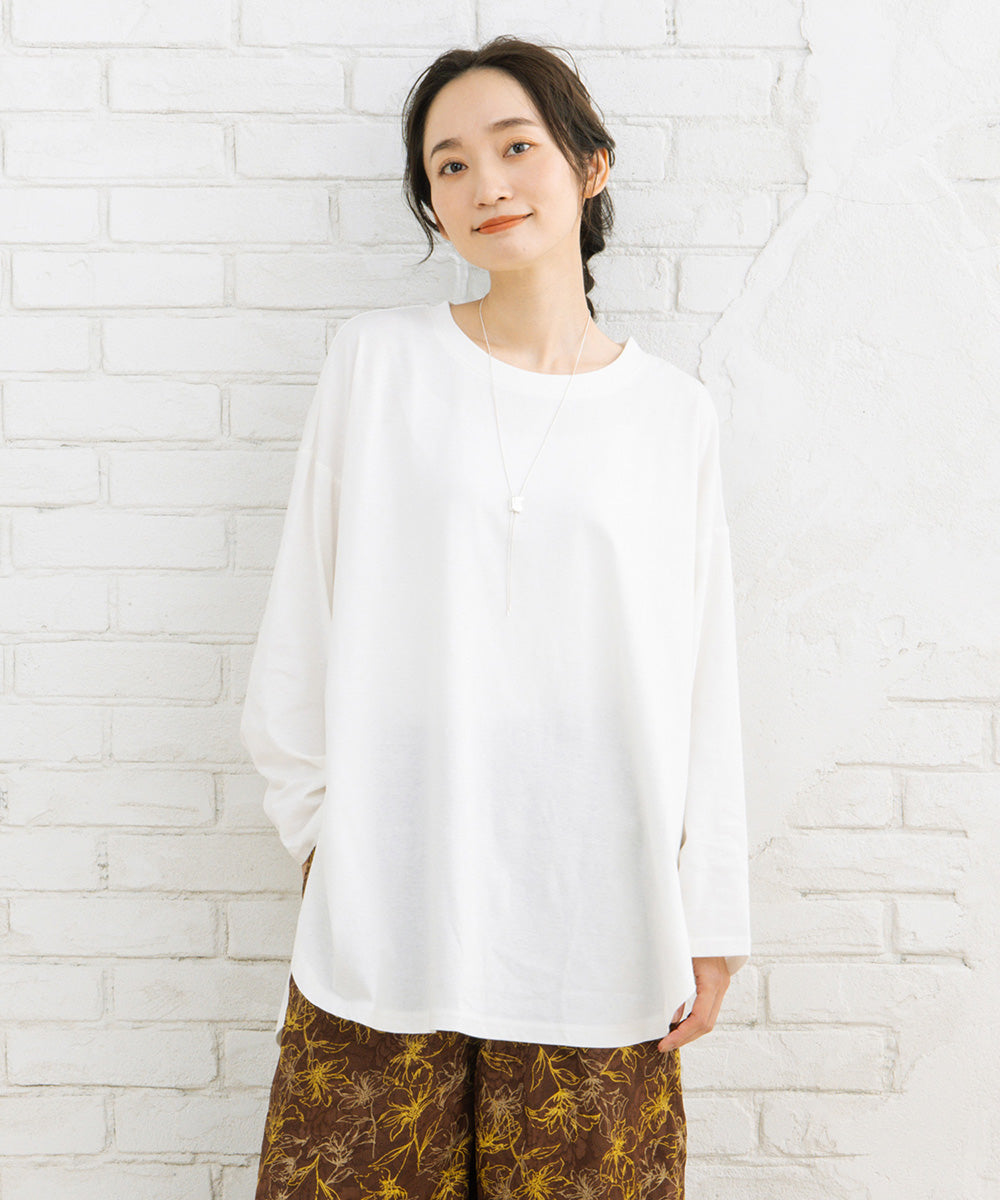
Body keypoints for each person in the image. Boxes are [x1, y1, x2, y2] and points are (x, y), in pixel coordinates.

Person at [240, 34, 751, 1200]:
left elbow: (701, 678)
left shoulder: (672, 415)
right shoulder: (377, 364)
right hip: (388, 919)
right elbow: (301, 630)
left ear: (590, 165)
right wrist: (323, 836)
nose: (487, 185)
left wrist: (710, 914)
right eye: (451, 165)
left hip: (600, 923)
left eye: (516, 147)